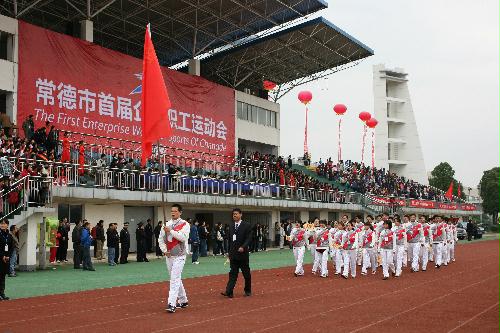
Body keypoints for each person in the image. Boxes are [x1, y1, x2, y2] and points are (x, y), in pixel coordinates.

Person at [158, 204, 191, 313]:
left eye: (175, 211)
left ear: (180, 212)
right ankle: (183, 300)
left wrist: (170, 231)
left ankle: (171, 303)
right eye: (172, 211)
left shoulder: (185, 224)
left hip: (180, 255)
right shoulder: (166, 224)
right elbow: (161, 239)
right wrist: (164, 250)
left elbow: (183, 237)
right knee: (175, 278)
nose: (173, 213)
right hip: (169, 256)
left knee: (174, 279)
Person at [221, 208, 253, 298]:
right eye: (233, 214)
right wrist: (228, 252)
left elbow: (249, 238)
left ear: (241, 214)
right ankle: (229, 291)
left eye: (236, 214)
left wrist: (243, 246)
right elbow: (230, 240)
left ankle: (248, 290)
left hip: (243, 255)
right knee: (232, 274)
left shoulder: (246, 225)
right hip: (234, 255)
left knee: (246, 274)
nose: (234, 215)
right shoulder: (231, 226)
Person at [0, 219, 13, 299]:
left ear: (7, 225)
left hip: (6, 259)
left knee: (3, 276)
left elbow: (11, 247)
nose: (2, 225)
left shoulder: (9, 235)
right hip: (0, 258)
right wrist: (2, 256)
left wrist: (8, 256)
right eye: (1, 223)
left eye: (4, 224)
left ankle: (2, 293)